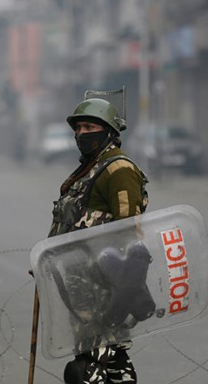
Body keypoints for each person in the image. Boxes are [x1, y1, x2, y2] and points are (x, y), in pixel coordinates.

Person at [49, 97, 148, 384]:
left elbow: (129, 230)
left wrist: (121, 290)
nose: (82, 133)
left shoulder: (119, 170)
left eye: (90, 126)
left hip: (105, 287)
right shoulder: (90, 169)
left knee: (85, 368)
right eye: (78, 127)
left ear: (109, 132)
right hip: (82, 283)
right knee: (114, 360)